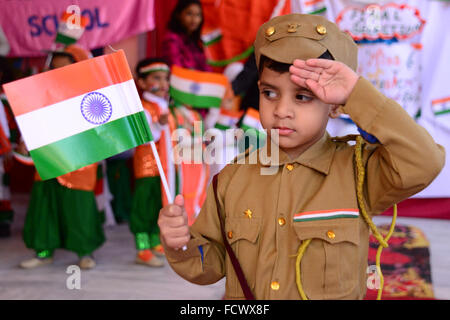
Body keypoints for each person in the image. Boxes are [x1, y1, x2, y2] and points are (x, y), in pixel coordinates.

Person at [157, 14, 445, 299]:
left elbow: (424, 161)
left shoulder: (358, 173)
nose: (282, 110)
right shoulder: (231, 179)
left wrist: (357, 94)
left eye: (302, 97)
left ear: (334, 106)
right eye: (270, 93)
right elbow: (210, 265)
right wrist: (180, 245)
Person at [20, 46, 105, 270]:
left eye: (65, 69)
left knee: (78, 208)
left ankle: (85, 252)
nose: (58, 74)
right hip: (49, 158)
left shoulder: (92, 98)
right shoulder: (42, 96)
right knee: (45, 204)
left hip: (80, 162)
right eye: (54, 69)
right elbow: (32, 123)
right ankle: (44, 251)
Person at [130, 57, 178, 267]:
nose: (163, 84)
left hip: (167, 167)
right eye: (156, 78)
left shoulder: (168, 106)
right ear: (141, 83)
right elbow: (142, 136)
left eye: (166, 79)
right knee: (144, 207)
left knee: (161, 207)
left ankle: (156, 241)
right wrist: (158, 125)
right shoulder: (142, 107)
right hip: (147, 167)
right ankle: (142, 248)